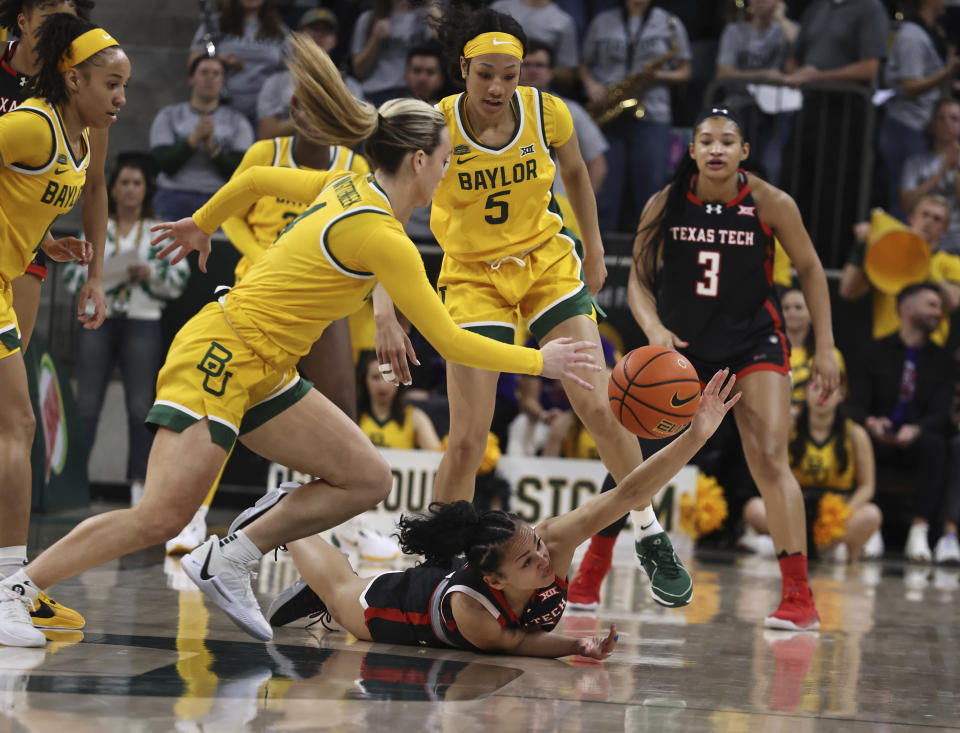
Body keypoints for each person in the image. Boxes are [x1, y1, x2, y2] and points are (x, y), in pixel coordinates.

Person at [0, 36, 599, 648]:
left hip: (268, 366)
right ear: (419, 161)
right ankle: (14, 590)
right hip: (222, 354)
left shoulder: (352, 188)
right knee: (162, 516)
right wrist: (540, 359)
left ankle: (230, 555)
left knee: (367, 477)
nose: (448, 171)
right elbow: (449, 338)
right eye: (444, 159)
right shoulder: (380, 231)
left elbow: (258, 178)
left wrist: (203, 222)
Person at [374, 5, 696, 612]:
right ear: (462, 68)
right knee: (468, 438)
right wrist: (384, 309)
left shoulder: (548, 111)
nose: (498, 87)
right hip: (472, 277)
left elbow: (576, 175)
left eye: (510, 73)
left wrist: (595, 249)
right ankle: (436, 566)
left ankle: (650, 533)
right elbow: (386, 218)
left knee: (601, 408)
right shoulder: (435, 125)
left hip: (547, 265)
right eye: (486, 74)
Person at [231, 369, 740, 652]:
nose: (544, 561)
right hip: (397, 610)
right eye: (528, 563)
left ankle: (303, 567)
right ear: (495, 582)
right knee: (344, 594)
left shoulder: (554, 544)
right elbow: (518, 644)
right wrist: (576, 648)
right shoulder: (471, 611)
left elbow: (627, 494)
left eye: (536, 547)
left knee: (338, 590)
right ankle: (283, 515)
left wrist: (696, 434)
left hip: (458, 582)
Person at [629, 107, 841, 630]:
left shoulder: (771, 203)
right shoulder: (667, 202)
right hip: (684, 346)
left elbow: (812, 269)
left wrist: (828, 345)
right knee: (637, 458)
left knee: (770, 456)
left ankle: (798, 598)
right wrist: (655, 330)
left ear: (744, 152)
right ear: (693, 150)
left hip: (753, 343)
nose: (717, 149)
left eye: (728, 141)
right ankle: (588, 576)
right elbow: (637, 280)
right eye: (707, 141)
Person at [0, 12, 129, 645]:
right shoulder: (29, 124)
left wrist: (43, 239)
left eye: (126, 85)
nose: (120, 98)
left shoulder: (73, 136)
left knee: (11, 427)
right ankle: (5, 592)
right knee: (18, 425)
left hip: (9, 276)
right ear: (72, 78)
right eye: (111, 84)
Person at [62, 157, 190, 507]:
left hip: (141, 319)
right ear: (113, 188)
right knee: (86, 405)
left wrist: (151, 274)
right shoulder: (96, 224)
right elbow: (71, 276)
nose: (131, 189)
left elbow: (180, 278)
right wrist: (101, 277)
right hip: (96, 319)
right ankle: (72, 484)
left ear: (146, 189)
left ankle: (140, 487)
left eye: (137, 183)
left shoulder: (158, 229)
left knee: (140, 407)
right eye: (124, 183)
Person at [0, 0, 108, 352]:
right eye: (50, 15)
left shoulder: (80, 92)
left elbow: (93, 187)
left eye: (68, 21)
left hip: (22, 247)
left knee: (11, 371)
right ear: (23, 19)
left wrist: (95, 276)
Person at [846, 282, 960, 564]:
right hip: (878, 437)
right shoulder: (872, 352)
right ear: (906, 308)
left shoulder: (943, 361)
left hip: (919, 439)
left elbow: (943, 412)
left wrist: (917, 429)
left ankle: (919, 532)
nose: (938, 312)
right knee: (858, 437)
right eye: (931, 305)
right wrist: (872, 422)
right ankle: (870, 527)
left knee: (936, 443)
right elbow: (854, 404)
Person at [780, 0, 887, 267]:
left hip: (847, 111)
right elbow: (795, 57)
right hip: (811, 107)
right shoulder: (817, 7)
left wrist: (820, 76)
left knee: (836, 191)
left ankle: (829, 262)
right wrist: (798, 73)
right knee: (797, 182)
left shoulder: (869, 8)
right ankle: (791, 257)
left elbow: (870, 67)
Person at [743, 373, 883, 563]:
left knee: (871, 514)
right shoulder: (788, 429)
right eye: (815, 388)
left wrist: (841, 515)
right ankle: (825, 550)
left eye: (828, 389)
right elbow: (771, 475)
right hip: (795, 508)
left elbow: (867, 486)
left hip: (836, 511)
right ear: (805, 393)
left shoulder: (855, 434)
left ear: (841, 394)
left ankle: (786, 546)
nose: (821, 395)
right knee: (754, 508)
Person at [580, 0, 692, 233]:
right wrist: (592, 86)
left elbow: (685, 71)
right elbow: (583, 65)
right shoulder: (602, 21)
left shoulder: (669, 23)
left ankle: (650, 249)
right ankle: (600, 254)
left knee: (650, 188)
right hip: (608, 113)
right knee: (606, 191)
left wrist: (658, 75)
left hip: (652, 113)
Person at [840, 195, 960, 344]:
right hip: (887, 346)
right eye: (925, 215)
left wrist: (923, 260)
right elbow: (848, 291)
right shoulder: (889, 255)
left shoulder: (951, 262)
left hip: (929, 349)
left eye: (937, 219)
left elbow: (953, 301)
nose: (929, 221)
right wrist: (861, 245)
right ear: (911, 218)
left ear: (944, 230)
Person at [149, 55, 254, 222]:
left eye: (216, 73)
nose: (210, 78)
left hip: (218, 198)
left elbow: (240, 170)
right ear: (191, 78)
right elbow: (162, 162)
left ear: (223, 81)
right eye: (204, 72)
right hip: (173, 196)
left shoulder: (238, 121)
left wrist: (213, 148)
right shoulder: (169, 115)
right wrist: (193, 140)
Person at [879, 0, 959, 219]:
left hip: (919, 125)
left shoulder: (931, 31)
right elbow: (909, 86)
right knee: (905, 203)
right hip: (905, 127)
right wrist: (947, 73)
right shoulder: (912, 36)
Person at [715, 0, 797, 185]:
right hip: (741, 105)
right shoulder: (735, 31)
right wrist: (763, 75)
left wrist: (781, 19)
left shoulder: (787, 30)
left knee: (774, 162)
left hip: (778, 107)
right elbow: (723, 72)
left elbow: (803, 51)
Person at [256, 8, 364, 140]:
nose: (319, 35)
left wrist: (305, 117)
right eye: (313, 29)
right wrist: (313, 116)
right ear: (299, 35)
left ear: (334, 40)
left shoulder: (350, 86)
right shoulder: (275, 82)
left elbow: (351, 138)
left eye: (326, 31)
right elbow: (266, 134)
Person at [188, 0, 289, 127]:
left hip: (266, 113)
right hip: (224, 109)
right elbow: (194, 62)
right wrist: (220, 61)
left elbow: (290, 71)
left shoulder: (279, 29)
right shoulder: (214, 24)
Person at [900, 98, 960, 254]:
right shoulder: (915, 163)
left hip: (956, 243)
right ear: (933, 124)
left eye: (954, 119)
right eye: (941, 118)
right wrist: (942, 171)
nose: (947, 123)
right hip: (920, 240)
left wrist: (956, 170)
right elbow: (907, 204)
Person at [350, 0, 435, 107]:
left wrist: (431, 6)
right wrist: (375, 40)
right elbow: (358, 71)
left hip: (412, 93)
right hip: (376, 93)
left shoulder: (424, 15)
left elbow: (443, 47)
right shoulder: (368, 19)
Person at [781, 285, 846, 413]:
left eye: (798, 307)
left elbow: (838, 395)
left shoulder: (830, 354)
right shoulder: (768, 353)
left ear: (812, 314)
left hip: (813, 422)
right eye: (786, 308)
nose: (791, 312)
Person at [357, 351, 441, 451]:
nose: (382, 385)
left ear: (400, 379)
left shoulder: (415, 418)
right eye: (375, 377)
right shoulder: (352, 416)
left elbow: (437, 457)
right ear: (365, 380)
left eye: (389, 377)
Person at [489, 0, 579, 89]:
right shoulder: (500, 8)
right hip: (495, 80)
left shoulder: (563, 22)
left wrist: (536, 70)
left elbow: (567, 71)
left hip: (541, 90)